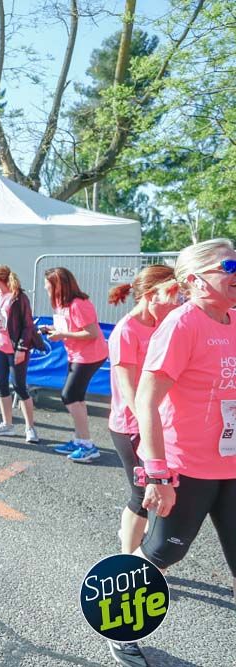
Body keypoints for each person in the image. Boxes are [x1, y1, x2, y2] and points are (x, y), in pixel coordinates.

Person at [107, 239, 236, 666]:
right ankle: (120, 626)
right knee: (164, 552)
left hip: (231, 465)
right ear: (194, 280)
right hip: (188, 468)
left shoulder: (234, 320)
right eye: (229, 265)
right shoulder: (181, 325)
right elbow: (146, 399)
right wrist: (157, 474)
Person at [105, 265, 180, 557]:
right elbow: (129, 393)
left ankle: (138, 543)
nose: (177, 301)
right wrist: (149, 434)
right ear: (150, 296)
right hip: (131, 427)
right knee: (141, 495)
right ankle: (128, 557)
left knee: (157, 493)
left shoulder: (164, 324)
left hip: (157, 425)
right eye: (172, 294)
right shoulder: (126, 330)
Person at [41, 267, 109, 463]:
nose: (46, 287)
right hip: (77, 355)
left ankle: (87, 445)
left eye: (48, 285)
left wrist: (62, 335)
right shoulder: (64, 304)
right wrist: (52, 330)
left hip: (89, 355)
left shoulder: (79, 304)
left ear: (58, 285)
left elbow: (92, 333)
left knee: (69, 396)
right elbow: (71, 327)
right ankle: (80, 439)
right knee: (76, 397)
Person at [0, 265, 43, 444]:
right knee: (1, 384)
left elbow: (27, 326)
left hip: (15, 348)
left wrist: (22, 348)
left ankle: (30, 427)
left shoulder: (19, 297)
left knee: (19, 386)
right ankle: (7, 424)